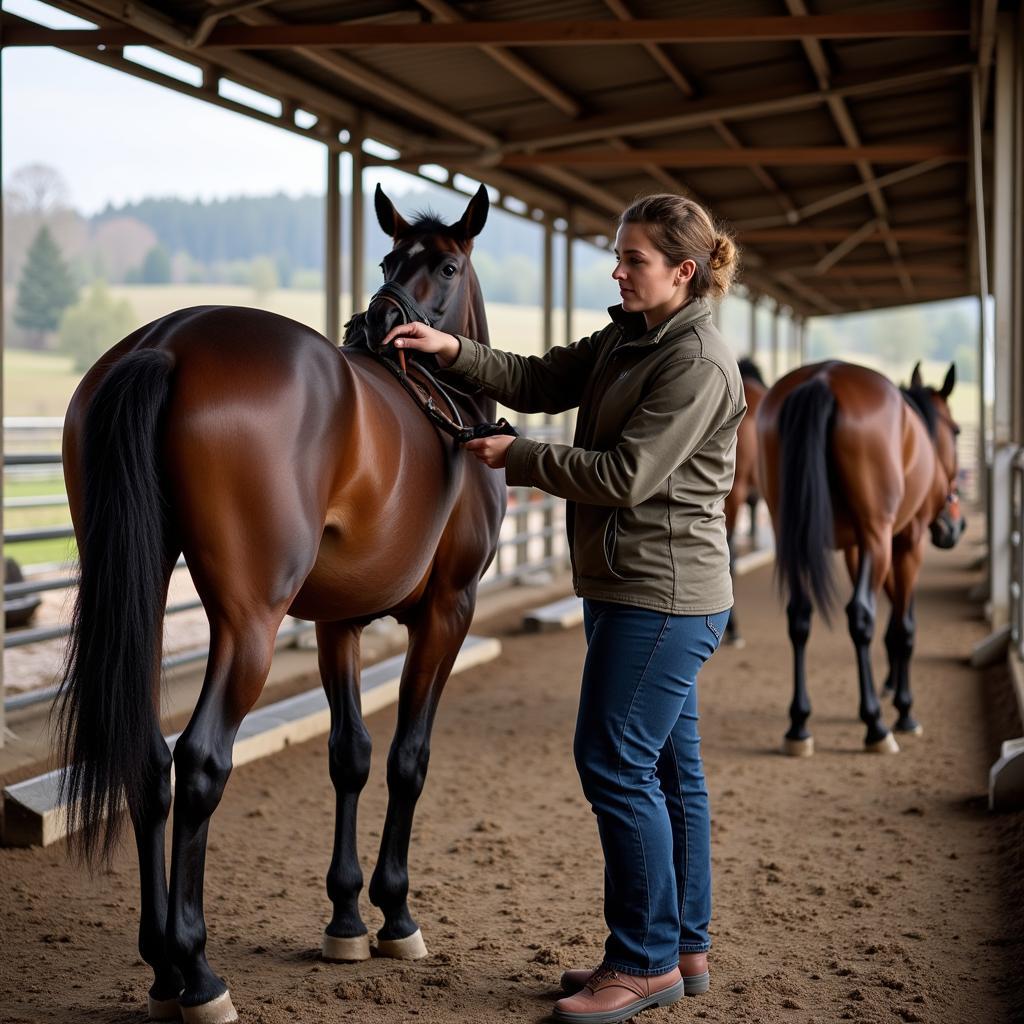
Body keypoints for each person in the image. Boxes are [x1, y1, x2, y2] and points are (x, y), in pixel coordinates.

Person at [383, 193, 744, 1024]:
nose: (617, 272)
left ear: (683, 272)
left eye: (634, 260)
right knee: (667, 771)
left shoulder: (696, 363)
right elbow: (542, 377)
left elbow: (625, 477)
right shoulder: (631, 332)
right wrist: (453, 348)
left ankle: (644, 961)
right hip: (637, 585)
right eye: (617, 256)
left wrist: (520, 457)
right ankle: (683, 947)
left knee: (613, 761)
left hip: (663, 594)